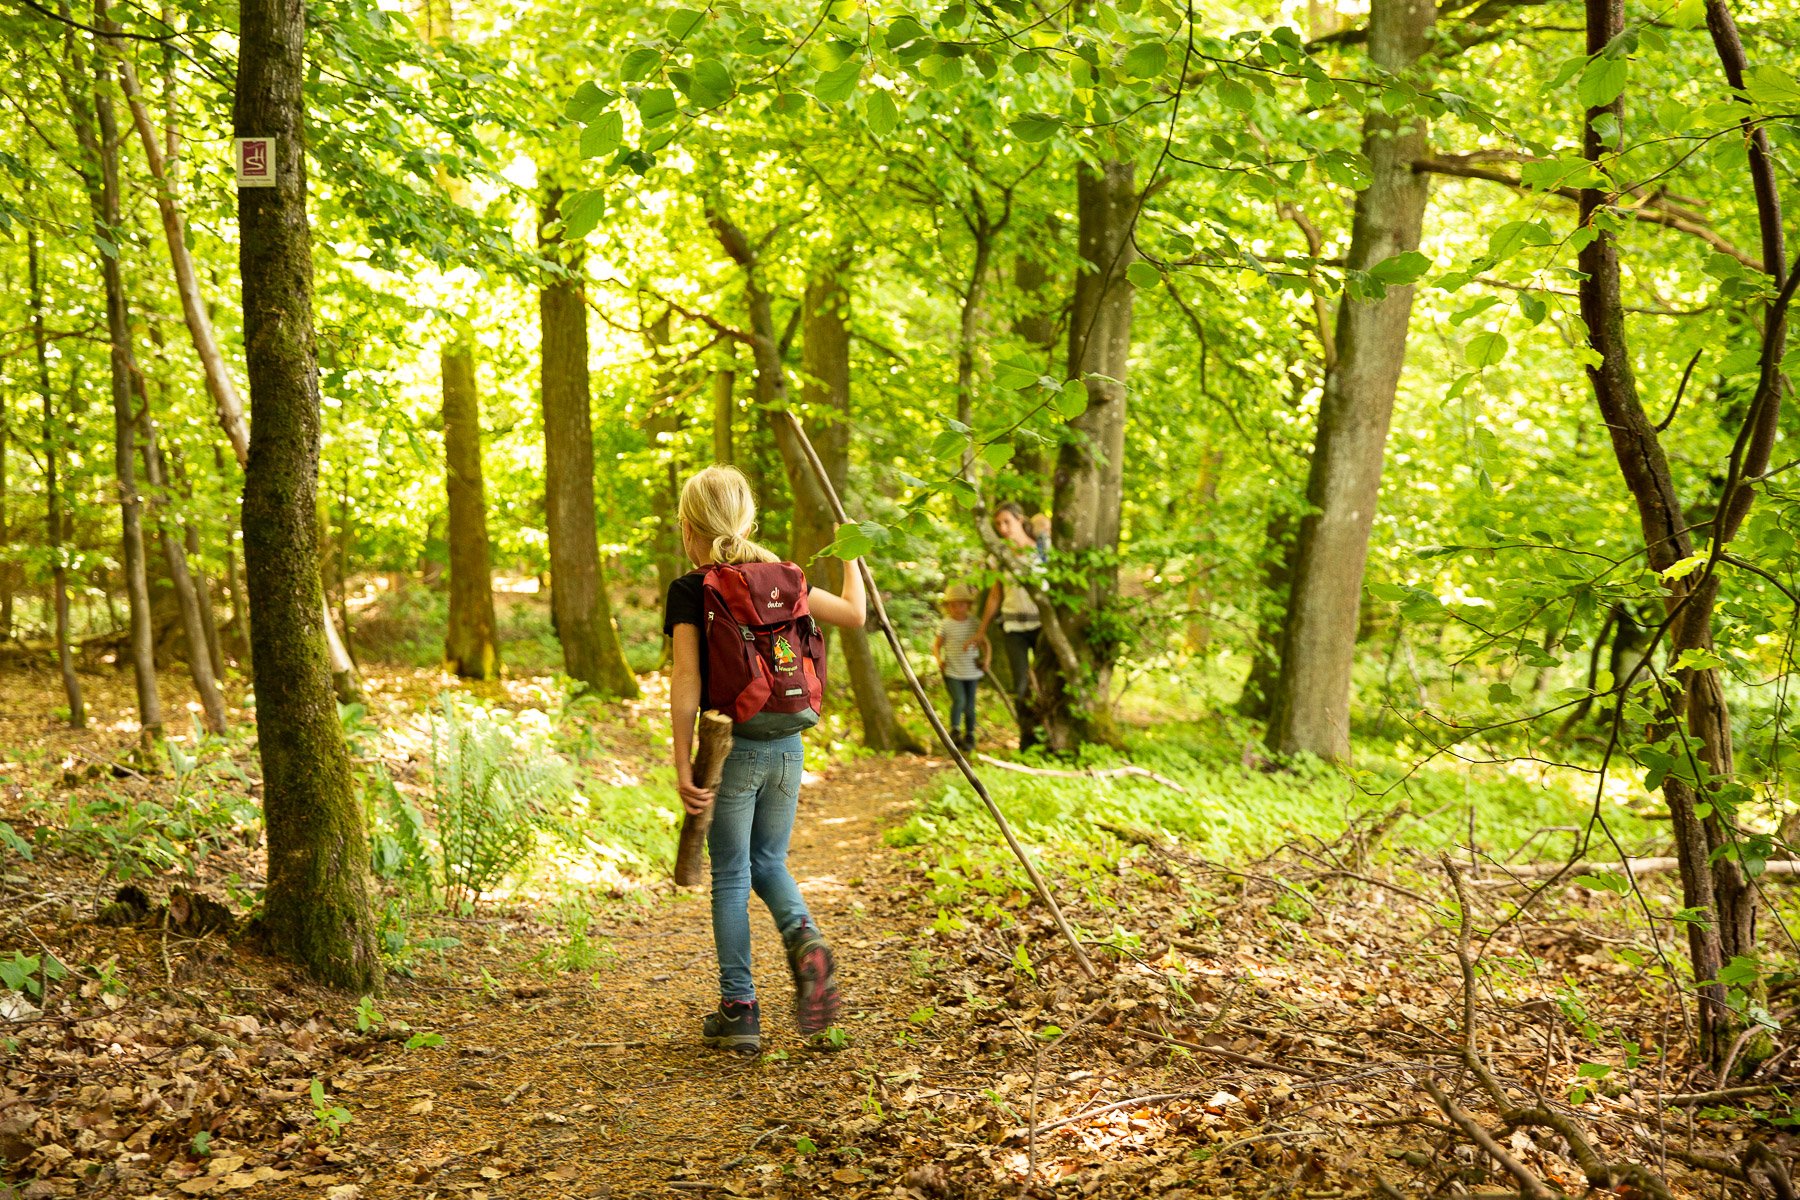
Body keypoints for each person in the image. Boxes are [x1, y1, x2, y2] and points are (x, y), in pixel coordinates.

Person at [664, 465, 866, 1055]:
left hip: (733, 751)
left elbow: (685, 681)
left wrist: (684, 765)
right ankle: (806, 942)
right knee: (769, 861)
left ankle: (740, 1009)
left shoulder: (692, 589)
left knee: (730, 874)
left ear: (689, 528)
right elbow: (854, 616)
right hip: (790, 745)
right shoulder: (788, 578)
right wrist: (850, 551)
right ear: (749, 519)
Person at [980, 502, 1049, 752]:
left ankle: (1049, 737)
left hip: (1042, 625)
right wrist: (981, 631)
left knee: (1045, 683)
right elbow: (995, 596)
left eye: (1007, 522)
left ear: (1020, 519)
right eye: (998, 524)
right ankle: (1027, 741)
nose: (1002, 528)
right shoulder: (998, 556)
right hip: (1013, 627)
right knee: (1021, 687)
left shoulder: (1041, 549)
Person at [933, 583, 991, 752]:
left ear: (968, 605)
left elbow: (985, 644)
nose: (957, 608)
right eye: (952, 605)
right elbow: (936, 646)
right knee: (959, 700)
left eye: (961, 604)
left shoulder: (974, 623)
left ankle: (970, 734)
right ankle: (955, 731)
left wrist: (986, 660)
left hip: (971, 671)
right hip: (953, 671)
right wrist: (939, 660)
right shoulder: (945, 624)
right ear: (947, 607)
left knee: (970, 704)